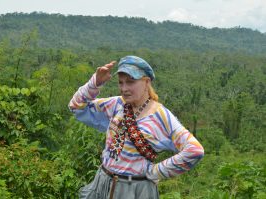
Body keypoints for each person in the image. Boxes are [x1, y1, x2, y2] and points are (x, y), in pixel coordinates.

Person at [68, 55, 204, 199]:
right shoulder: (117, 104)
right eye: (121, 83)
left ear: (146, 82)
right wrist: (95, 82)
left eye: (130, 82)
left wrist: (156, 172)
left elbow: (194, 150)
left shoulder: (161, 116)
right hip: (103, 183)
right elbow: (76, 106)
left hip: (135, 190)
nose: (124, 88)